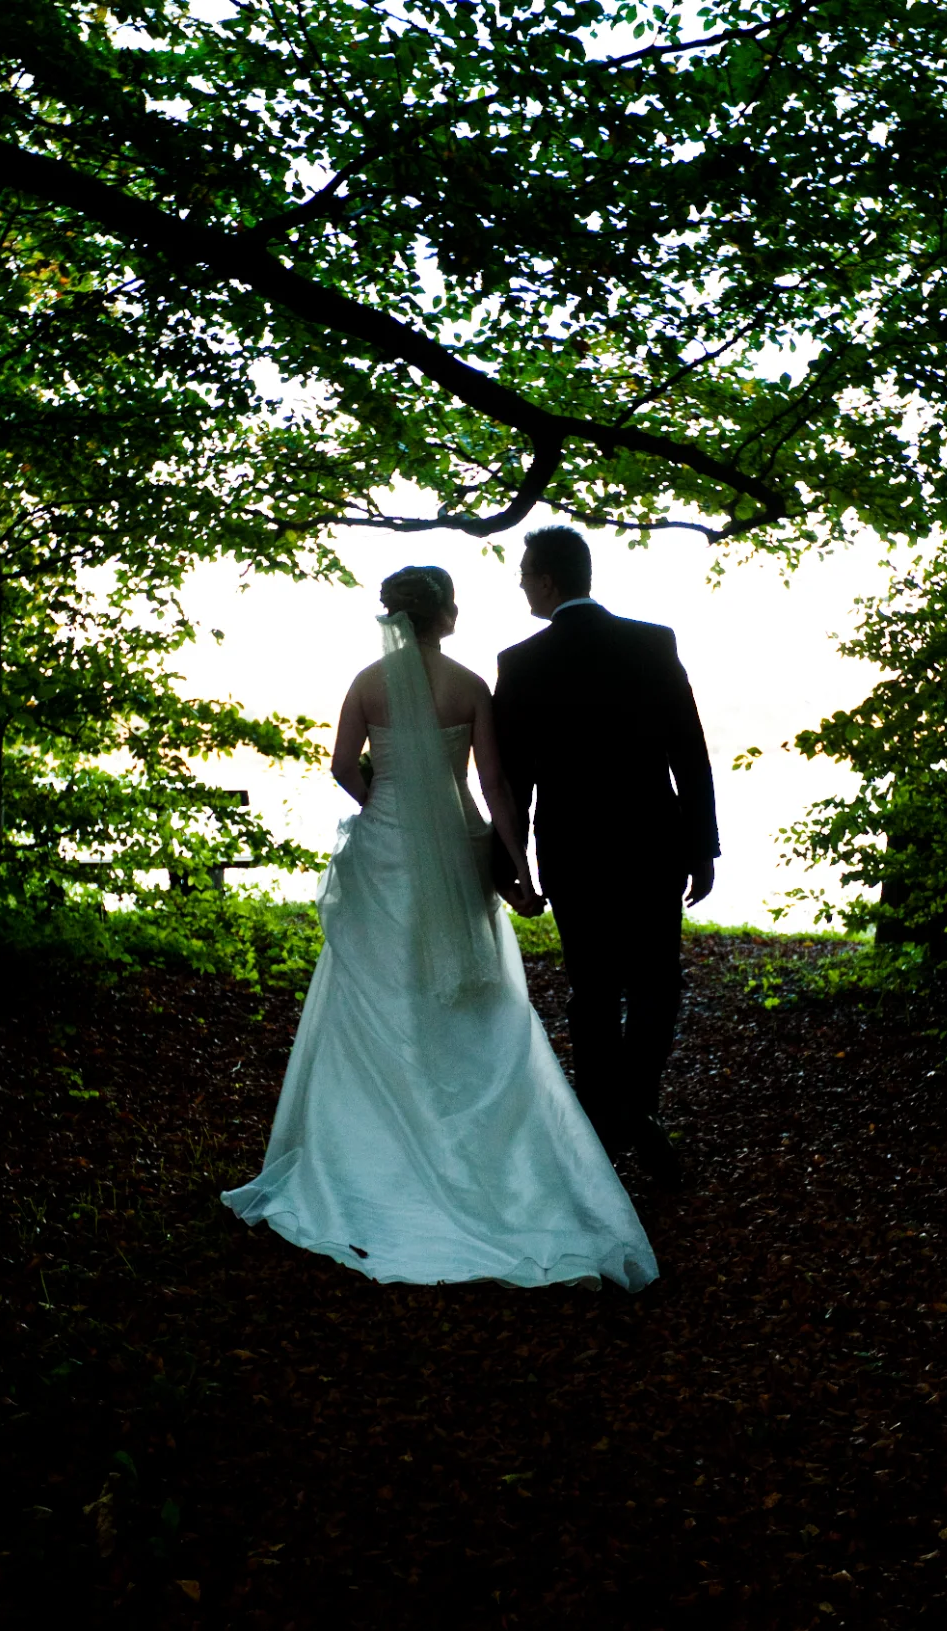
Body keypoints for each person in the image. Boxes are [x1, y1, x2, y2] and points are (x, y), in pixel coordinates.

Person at [219, 565, 658, 1291]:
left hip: (388, 847)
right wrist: (519, 868)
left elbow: (339, 767)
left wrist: (384, 805)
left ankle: (369, 1150)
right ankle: (479, 1150)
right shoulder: (469, 685)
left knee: (378, 989)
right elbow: (495, 787)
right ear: (444, 615)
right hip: (454, 848)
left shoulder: (366, 681)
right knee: (462, 994)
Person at [493, 526, 718, 1189]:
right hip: (654, 843)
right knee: (658, 981)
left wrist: (511, 867)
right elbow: (689, 754)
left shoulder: (521, 662)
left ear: (550, 581)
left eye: (527, 573)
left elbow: (514, 780)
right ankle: (639, 1104)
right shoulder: (653, 643)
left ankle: (599, 1128)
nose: (523, 583)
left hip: (574, 850)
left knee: (592, 991)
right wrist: (702, 848)